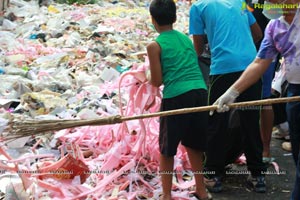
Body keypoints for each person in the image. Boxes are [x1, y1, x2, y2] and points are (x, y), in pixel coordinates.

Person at [211, 0, 300, 199]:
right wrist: (232, 92)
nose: (271, 4)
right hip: (294, 93)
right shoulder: (274, 26)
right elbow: (260, 62)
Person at [189, 0, 267, 193]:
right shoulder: (239, 2)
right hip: (251, 69)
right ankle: (257, 176)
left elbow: (198, 48)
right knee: (251, 121)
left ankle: (213, 175)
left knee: (217, 121)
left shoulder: (198, 7)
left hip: (223, 69)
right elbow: (257, 34)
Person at [146, 0, 210, 199]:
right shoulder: (185, 39)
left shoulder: (154, 45)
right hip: (200, 92)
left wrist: (146, 75)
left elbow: (156, 81)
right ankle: (201, 190)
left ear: (153, 20)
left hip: (176, 97)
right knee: (194, 145)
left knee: (167, 149)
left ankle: (166, 194)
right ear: (174, 17)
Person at [250, 0, 278, 163]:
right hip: (249, 51)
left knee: (264, 99)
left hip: (266, 53)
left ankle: (265, 149)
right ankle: (252, 147)